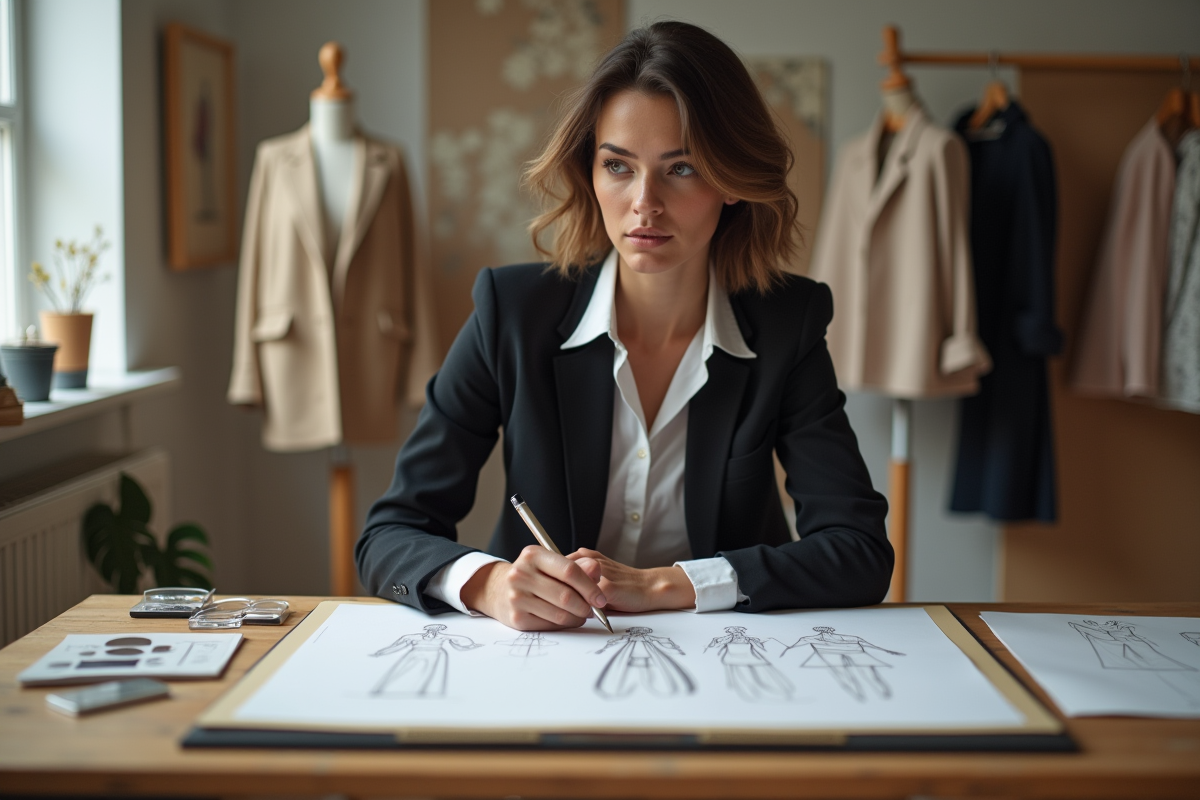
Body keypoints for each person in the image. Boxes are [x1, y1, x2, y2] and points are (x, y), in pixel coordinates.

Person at [357, 20, 891, 631]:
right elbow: (389, 535)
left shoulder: (785, 325)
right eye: (618, 166)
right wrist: (488, 583)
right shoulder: (513, 313)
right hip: (548, 661)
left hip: (729, 663)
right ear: (590, 172)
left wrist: (672, 584)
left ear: (732, 182)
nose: (645, 202)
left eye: (682, 168)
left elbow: (859, 551)